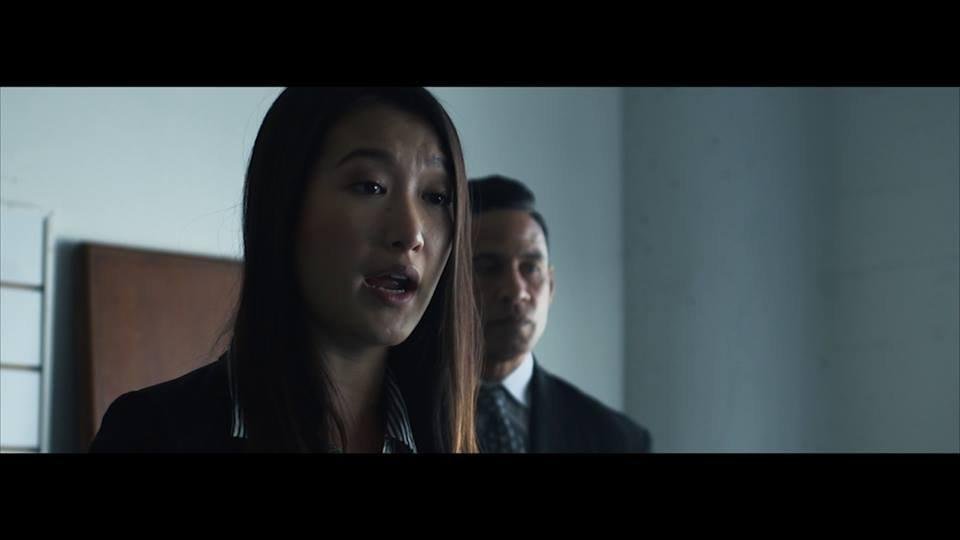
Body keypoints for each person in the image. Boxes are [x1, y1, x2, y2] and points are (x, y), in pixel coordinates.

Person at [91, 87, 481, 453]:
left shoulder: (455, 439)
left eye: (436, 196)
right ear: (285, 203)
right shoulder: (153, 432)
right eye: (370, 186)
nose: (411, 233)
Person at [468, 175, 651, 452]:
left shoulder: (617, 440)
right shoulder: (403, 413)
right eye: (488, 267)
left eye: (530, 268)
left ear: (551, 286)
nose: (516, 291)